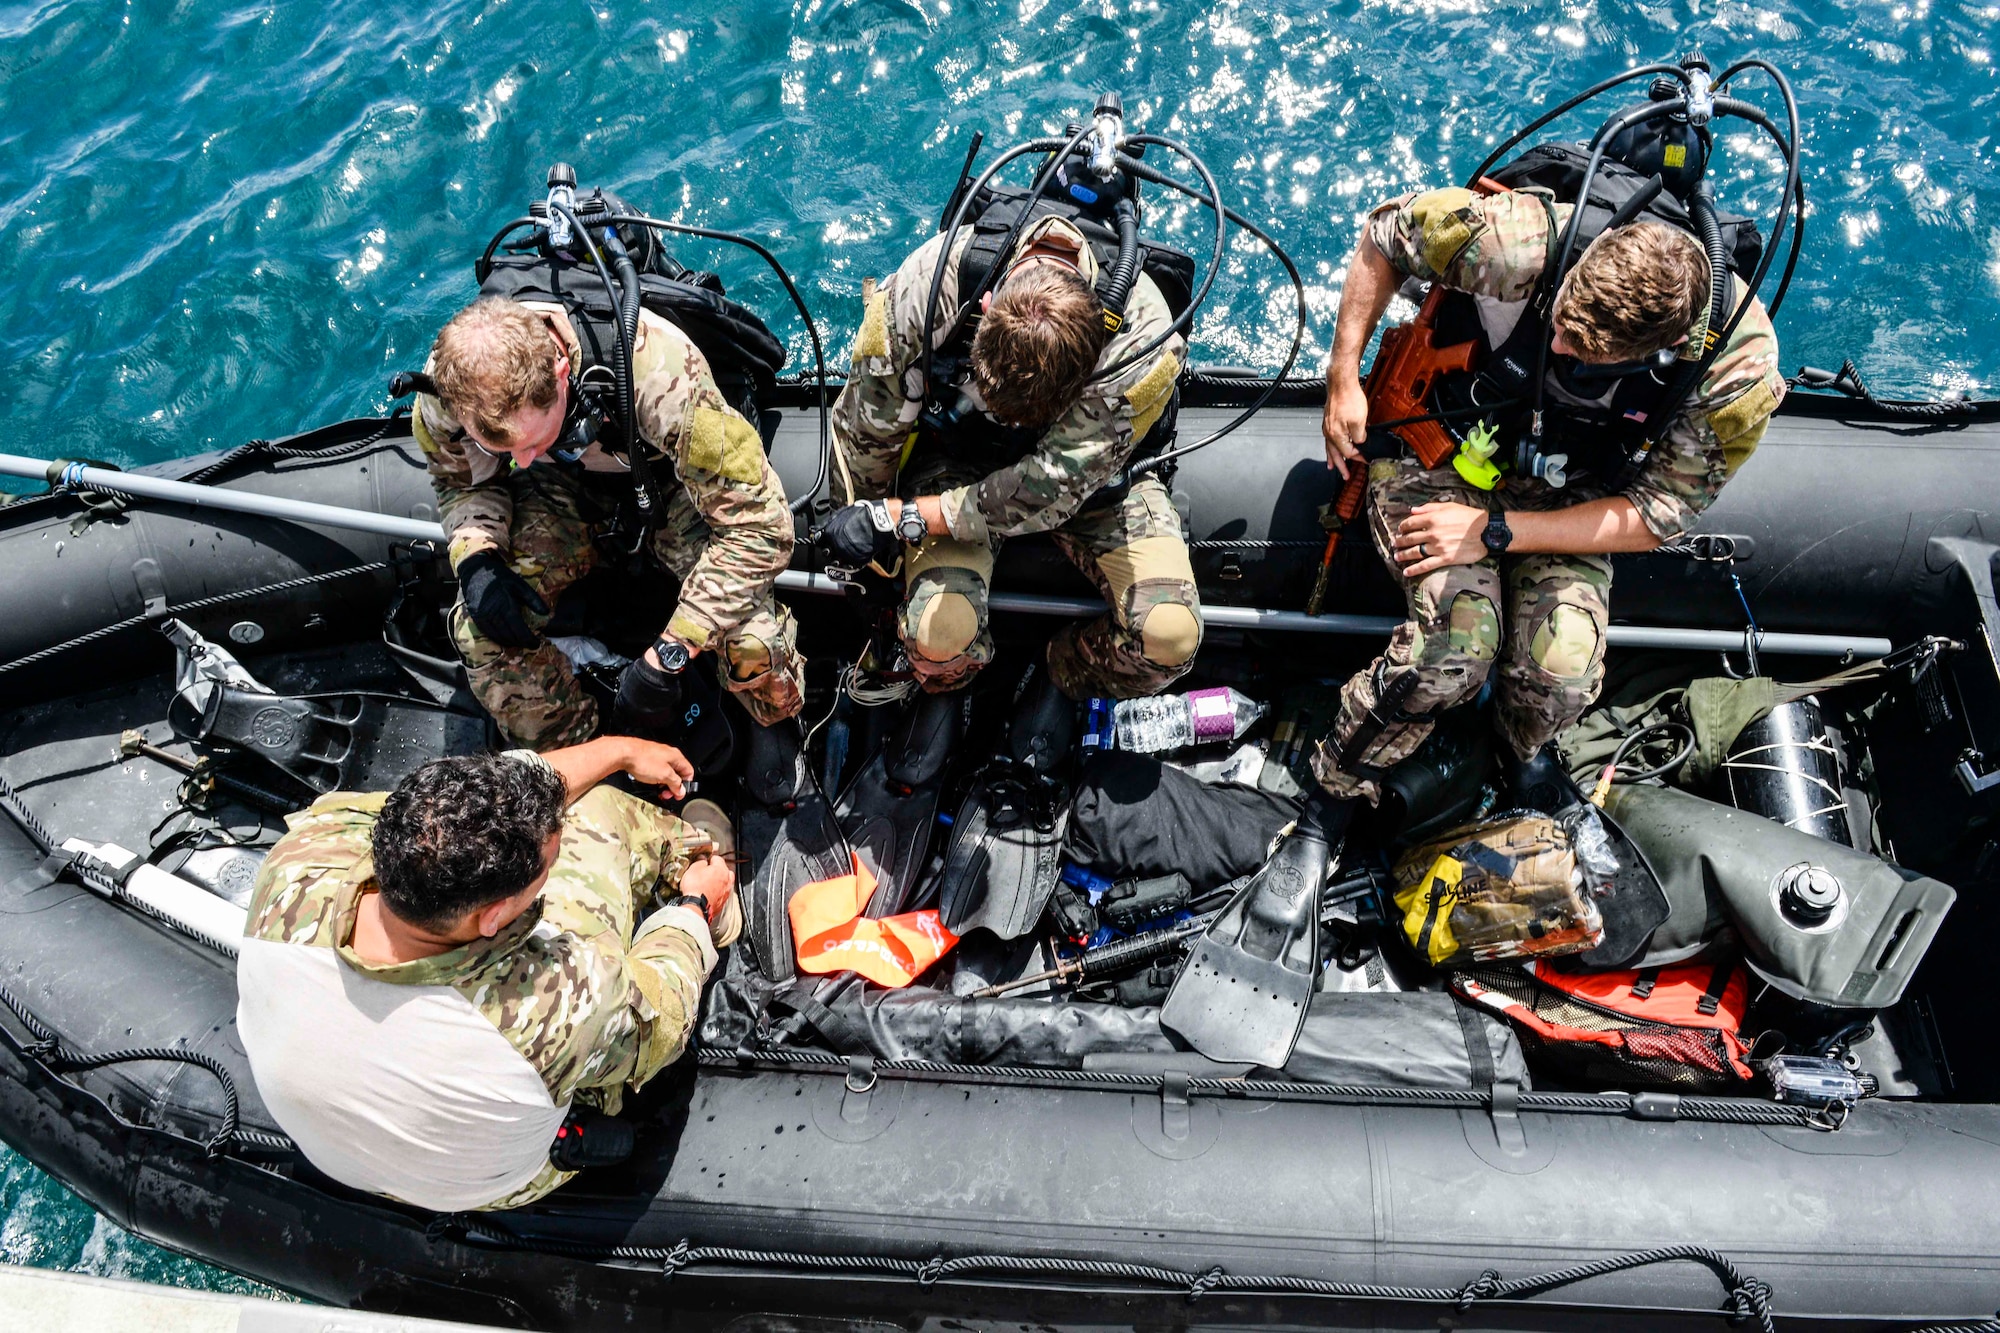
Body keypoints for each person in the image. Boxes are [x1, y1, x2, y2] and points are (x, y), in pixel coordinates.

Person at [1309, 183, 1786, 812]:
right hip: (1442, 442)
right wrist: (1344, 375)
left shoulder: (1733, 369)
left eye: (1583, 351)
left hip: (1570, 490)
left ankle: (1517, 752)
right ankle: (1336, 788)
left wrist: (1496, 531)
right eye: (1560, 324)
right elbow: (1384, 236)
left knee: (1562, 669)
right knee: (1453, 650)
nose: (1558, 347)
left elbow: (1653, 515)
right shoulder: (1516, 243)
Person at [235, 737, 735, 1212]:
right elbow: (663, 1021)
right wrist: (694, 907)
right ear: (494, 918)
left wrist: (618, 751)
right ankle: (705, 872)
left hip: (347, 1153)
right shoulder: (560, 1004)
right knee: (598, 812)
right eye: (547, 867)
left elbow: (482, 807)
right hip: (497, 1182)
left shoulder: (302, 858)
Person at [821, 211, 1198, 701]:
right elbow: (865, 436)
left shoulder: (1139, 341)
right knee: (939, 631)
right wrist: (867, 545)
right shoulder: (927, 292)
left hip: (1092, 484)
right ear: (986, 303)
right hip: (958, 460)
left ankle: (1053, 679)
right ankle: (957, 681)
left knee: (1171, 633)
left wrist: (905, 517)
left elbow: (1050, 488)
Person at [413, 294, 803, 751]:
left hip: (673, 486)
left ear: (561, 376)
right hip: (559, 486)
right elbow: (459, 483)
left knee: (752, 646)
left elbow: (761, 527)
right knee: (478, 629)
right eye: (503, 451)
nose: (518, 460)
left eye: (533, 439)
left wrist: (671, 654)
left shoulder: (659, 376)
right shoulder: (451, 390)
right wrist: (476, 555)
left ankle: (775, 735)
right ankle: (579, 762)